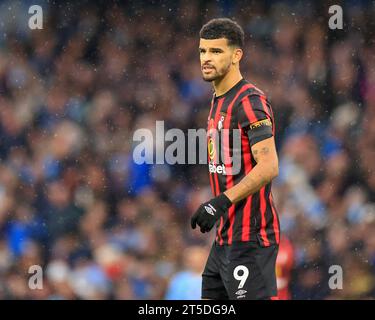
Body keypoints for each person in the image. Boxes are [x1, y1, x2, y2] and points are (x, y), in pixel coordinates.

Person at [191, 18, 280, 300]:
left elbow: (269, 165)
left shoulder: (248, 100)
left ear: (236, 55)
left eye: (216, 51)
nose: (206, 58)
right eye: (203, 51)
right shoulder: (218, 100)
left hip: (251, 238)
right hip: (225, 239)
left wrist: (221, 202)